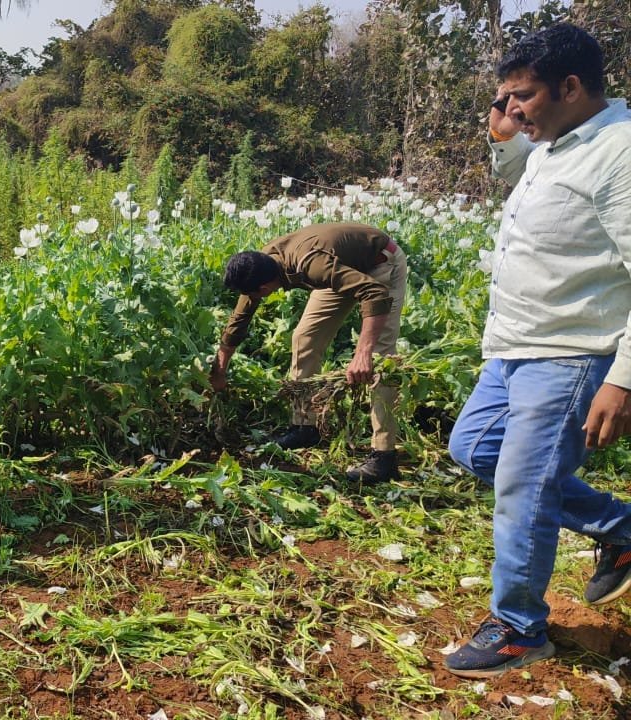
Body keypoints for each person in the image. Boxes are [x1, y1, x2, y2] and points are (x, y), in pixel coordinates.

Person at [443, 24, 631, 679]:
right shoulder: (553, 142)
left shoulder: (620, 152)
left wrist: (624, 379)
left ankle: (520, 628)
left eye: (522, 96)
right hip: (513, 348)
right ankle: (621, 528)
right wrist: (505, 131)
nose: (511, 110)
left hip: (571, 353)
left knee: (524, 488)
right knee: (474, 449)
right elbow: (515, 168)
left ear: (571, 87)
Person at [210, 222, 408, 482]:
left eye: (258, 294)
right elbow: (239, 319)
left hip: (379, 264)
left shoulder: (311, 265)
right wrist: (220, 369)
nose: (257, 297)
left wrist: (363, 352)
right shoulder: (259, 265)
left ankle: (384, 457)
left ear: (264, 286)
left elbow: (374, 293)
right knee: (304, 338)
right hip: (340, 268)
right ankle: (305, 426)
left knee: (381, 360)